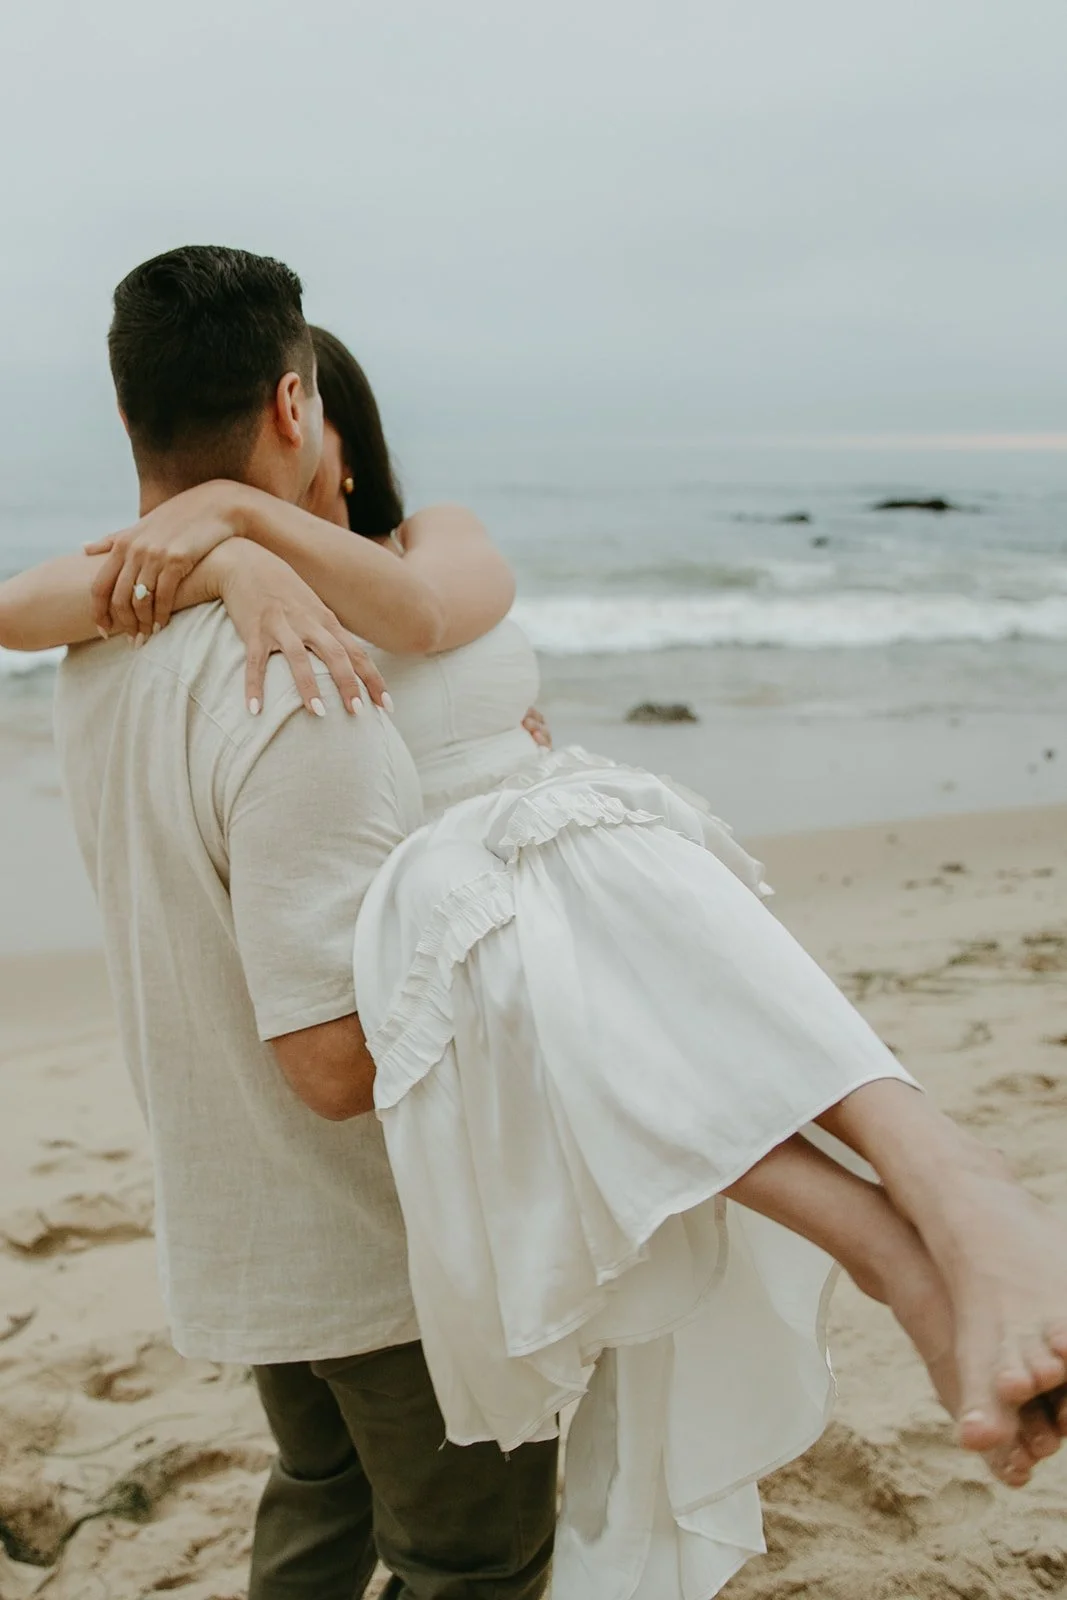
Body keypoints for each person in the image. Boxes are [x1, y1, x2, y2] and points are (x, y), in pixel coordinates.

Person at [6, 313, 1067, 1595]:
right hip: (475, 980)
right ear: (297, 411)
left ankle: (925, 1225)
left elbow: (416, 606)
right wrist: (228, 563)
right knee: (426, 1518)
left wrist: (235, 524)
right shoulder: (206, 619)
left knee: (602, 911)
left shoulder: (425, 542)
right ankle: (919, 1219)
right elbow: (17, 607)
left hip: (534, 924)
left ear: (312, 429)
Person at [0, 246, 559, 1600]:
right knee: (466, 1561)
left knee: (319, 1496)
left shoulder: (100, 653)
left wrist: (232, 544)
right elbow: (336, 1065)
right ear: (300, 411)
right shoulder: (302, 677)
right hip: (385, 1241)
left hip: (236, 1206)